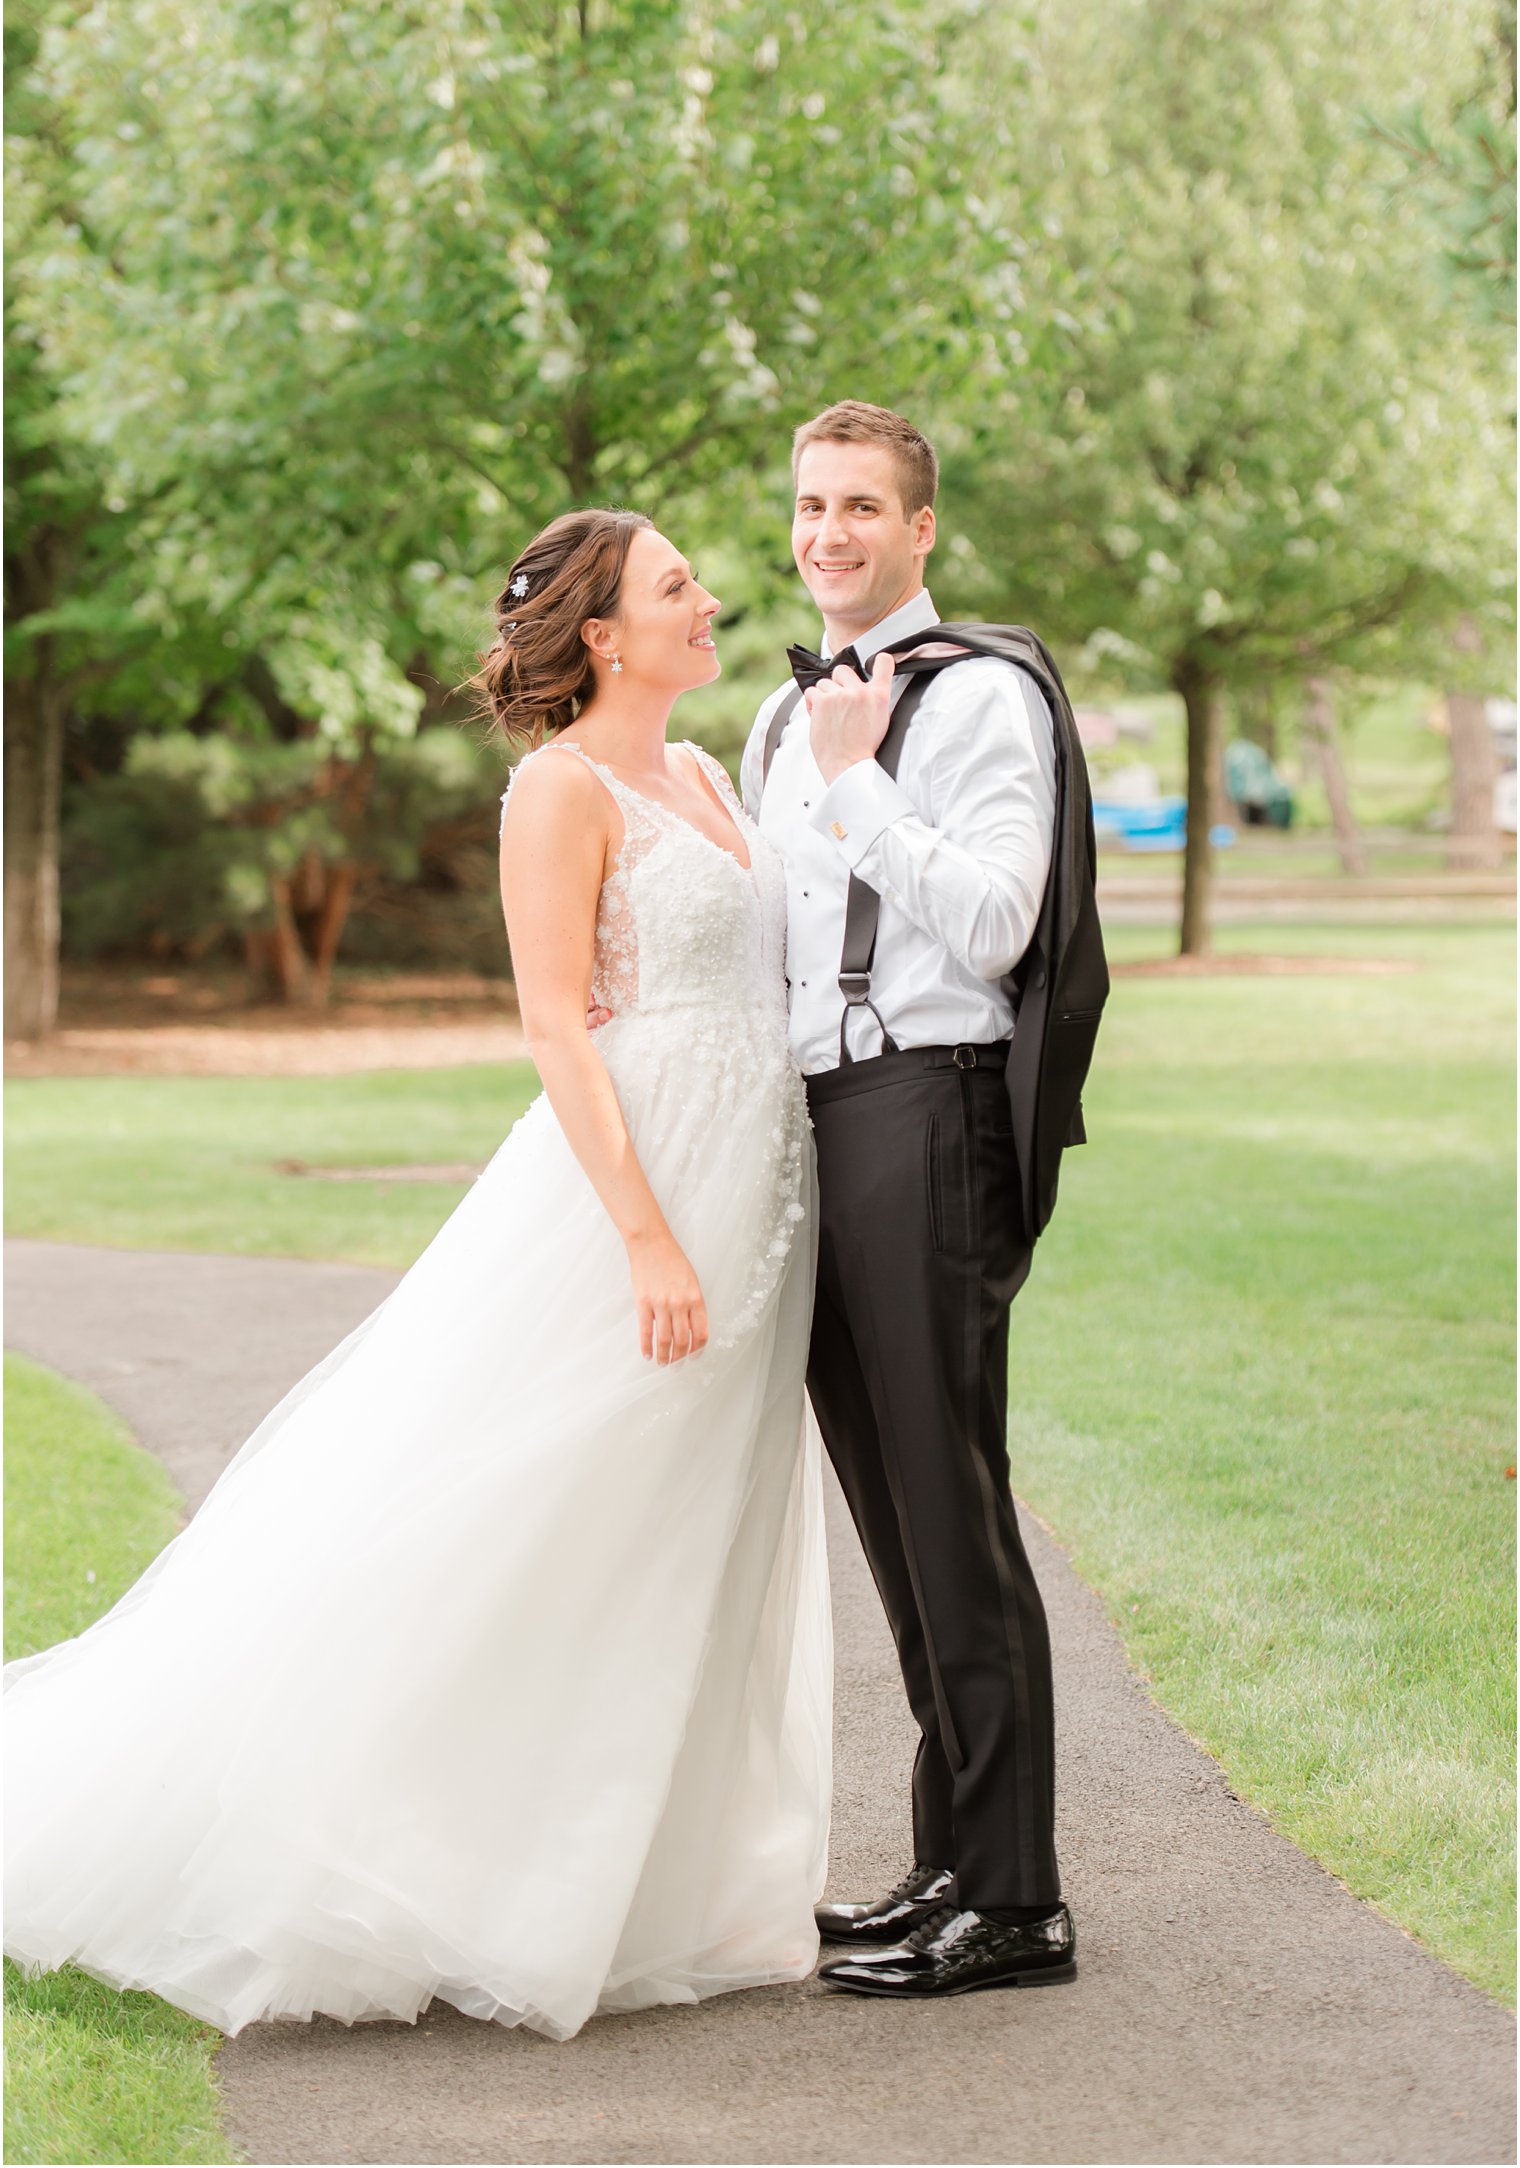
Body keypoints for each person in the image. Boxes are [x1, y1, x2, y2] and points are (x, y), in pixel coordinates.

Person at [4, 509, 833, 2044]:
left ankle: (635, 1873)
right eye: (675, 587)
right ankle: (436, 1867)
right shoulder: (559, 790)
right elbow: (554, 1025)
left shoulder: (713, 775)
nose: (712, 600)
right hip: (632, 1187)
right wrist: (647, 1233)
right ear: (602, 635)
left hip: (757, 1180)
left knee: (684, 1523)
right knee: (532, 1506)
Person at [739, 400, 1078, 1997]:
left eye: (863, 506)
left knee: (951, 1500)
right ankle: (954, 1858)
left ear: (921, 529)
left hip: (928, 1109)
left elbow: (1002, 924)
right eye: (811, 504)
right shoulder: (770, 714)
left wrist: (864, 783)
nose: (830, 534)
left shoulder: (981, 697)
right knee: (891, 1511)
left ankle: (1017, 1903)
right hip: (813, 1123)